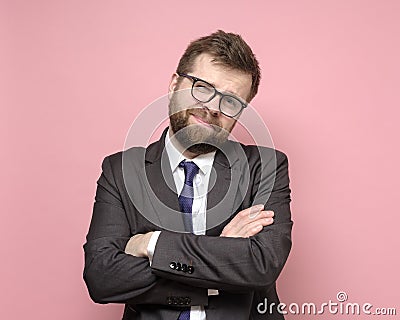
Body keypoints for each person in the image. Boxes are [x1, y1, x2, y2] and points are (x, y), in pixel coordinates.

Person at [83, 30, 292, 320]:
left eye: (230, 102)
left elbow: (261, 264)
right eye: (202, 87)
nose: (212, 108)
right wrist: (222, 258)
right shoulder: (120, 171)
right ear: (174, 84)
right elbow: (102, 278)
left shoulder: (264, 167)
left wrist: (151, 244)